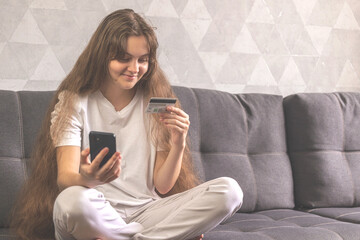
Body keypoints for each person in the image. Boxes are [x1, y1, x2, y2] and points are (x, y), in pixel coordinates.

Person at [11, 9, 243, 240]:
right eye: (123, 58)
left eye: (143, 60)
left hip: (147, 211)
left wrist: (178, 143)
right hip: (97, 210)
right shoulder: (74, 102)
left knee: (230, 191)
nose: (134, 69)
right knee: (70, 202)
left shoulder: (154, 101)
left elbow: (162, 187)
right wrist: (88, 179)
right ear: (102, 56)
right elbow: (65, 178)